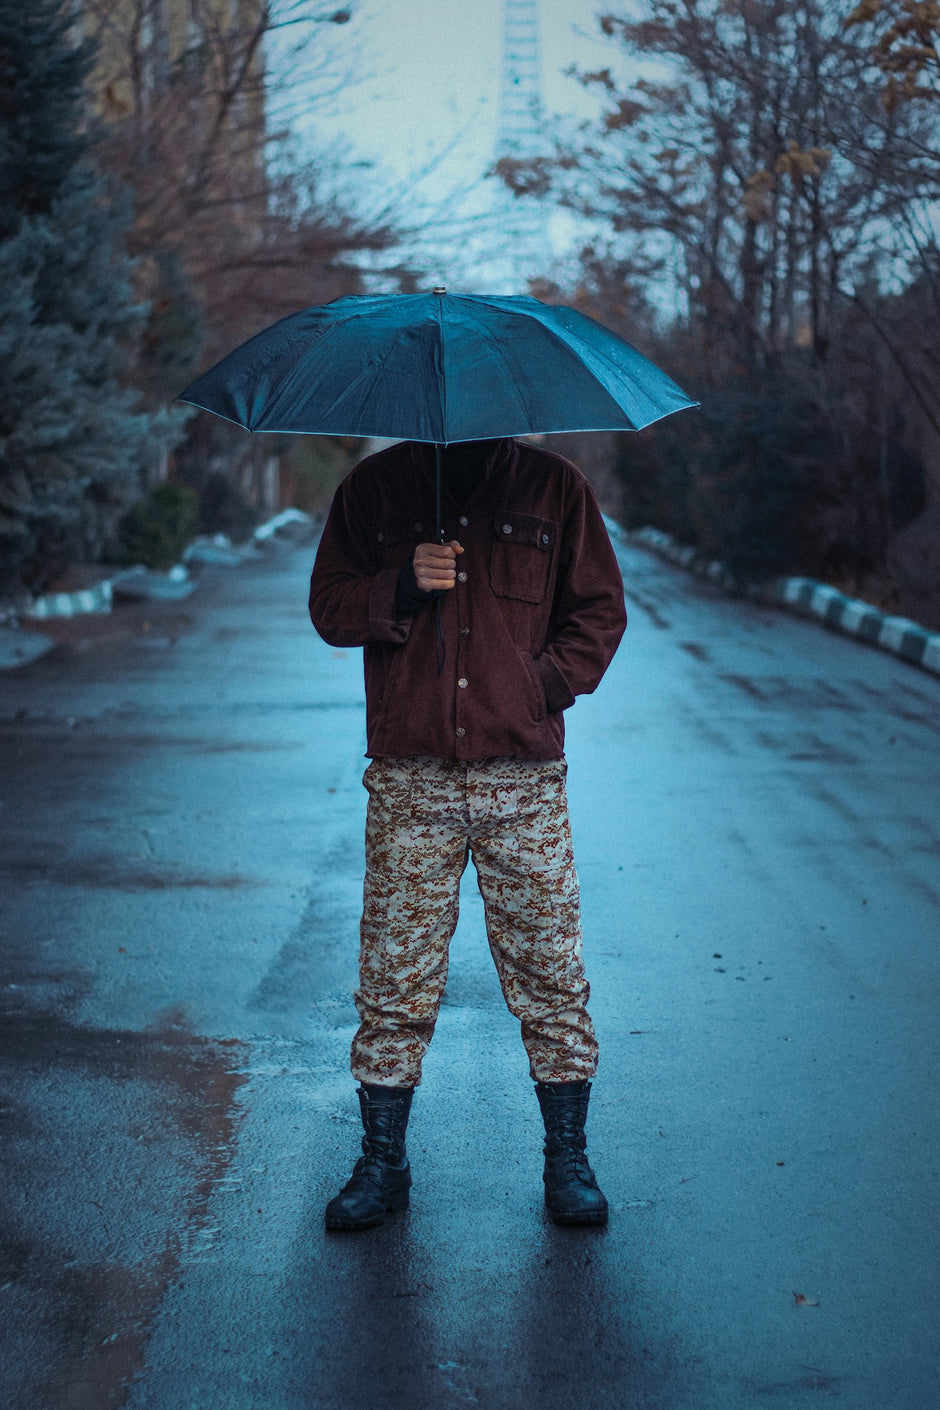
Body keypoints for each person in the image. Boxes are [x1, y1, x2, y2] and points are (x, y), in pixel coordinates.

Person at [308, 436, 627, 1231]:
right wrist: (401, 584)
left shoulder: (556, 489)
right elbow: (329, 606)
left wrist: (541, 686)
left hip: (523, 779)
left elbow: (599, 609)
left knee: (550, 970)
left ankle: (567, 1161)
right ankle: (382, 1163)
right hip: (410, 777)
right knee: (393, 975)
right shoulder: (374, 490)